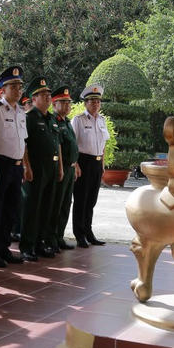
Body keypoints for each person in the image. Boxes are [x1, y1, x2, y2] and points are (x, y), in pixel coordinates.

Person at [0, 66, 29, 268]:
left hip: (17, 166)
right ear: (2, 89)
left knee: (11, 210)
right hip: (0, 163)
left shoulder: (21, 111)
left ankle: (4, 248)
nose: (18, 90)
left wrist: (26, 165)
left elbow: (24, 141)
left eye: (20, 86)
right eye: (13, 86)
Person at [20, 77, 63, 261]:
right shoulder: (29, 118)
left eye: (48, 94)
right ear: (34, 98)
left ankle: (39, 244)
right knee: (32, 208)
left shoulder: (52, 119)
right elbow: (24, 144)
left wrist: (60, 167)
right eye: (43, 95)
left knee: (47, 207)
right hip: (36, 168)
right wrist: (26, 166)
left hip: (52, 168)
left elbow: (57, 144)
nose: (47, 97)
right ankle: (27, 246)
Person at [71, 85, 109, 248]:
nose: (95, 104)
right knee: (81, 199)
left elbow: (103, 143)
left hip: (96, 162)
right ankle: (79, 234)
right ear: (85, 103)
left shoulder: (101, 120)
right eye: (92, 101)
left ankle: (88, 231)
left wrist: (102, 164)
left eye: (98, 101)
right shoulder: (78, 120)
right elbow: (73, 144)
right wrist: (76, 164)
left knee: (92, 200)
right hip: (83, 162)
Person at [49, 86, 79, 251]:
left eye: (69, 103)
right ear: (54, 104)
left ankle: (59, 236)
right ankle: (51, 237)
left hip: (71, 168)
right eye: (64, 102)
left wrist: (76, 165)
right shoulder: (54, 121)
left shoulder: (67, 122)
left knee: (66, 203)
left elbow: (73, 146)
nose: (68, 106)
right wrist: (61, 167)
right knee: (56, 204)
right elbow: (58, 147)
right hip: (61, 168)